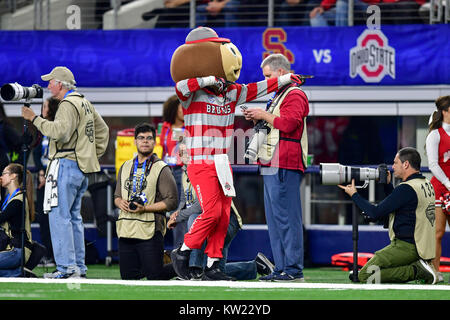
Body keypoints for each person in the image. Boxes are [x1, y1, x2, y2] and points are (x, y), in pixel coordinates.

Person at [169, 28, 304, 282]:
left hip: (221, 162)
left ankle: (213, 264)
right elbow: (181, 85)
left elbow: (259, 88)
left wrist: (286, 80)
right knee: (210, 212)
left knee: (222, 215)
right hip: (200, 160)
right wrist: (210, 79)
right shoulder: (192, 94)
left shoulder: (232, 92)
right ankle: (184, 250)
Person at [21, 66, 110, 279]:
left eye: (51, 81)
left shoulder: (68, 103)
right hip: (79, 166)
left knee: (59, 217)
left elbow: (59, 132)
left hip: (66, 164)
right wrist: (89, 154)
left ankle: (67, 269)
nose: (48, 85)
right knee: (73, 218)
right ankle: (78, 268)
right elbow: (103, 130)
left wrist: (34, 118)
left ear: (60, 84)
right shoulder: (84, 101)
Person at [243, 53, 309, 282]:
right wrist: (259, 118)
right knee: (275, 220)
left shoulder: (295, 94)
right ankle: (282, 268)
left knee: (286, 219)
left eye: (269, 76)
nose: (267, 81)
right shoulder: (281, 95)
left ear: (281, 73)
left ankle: (292, 269)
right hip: (273, 161)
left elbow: (290, 124)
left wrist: (263, 114)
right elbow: (279, 123)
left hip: (284, 162)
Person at [167, 144, 275, 280]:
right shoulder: (186, 173)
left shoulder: (206, 168)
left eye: (190, 151)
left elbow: (201, 207)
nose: (187, 154)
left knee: (194, 218)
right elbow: (185, 200)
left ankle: (193, 270)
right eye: (183, 153)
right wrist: (176, 213)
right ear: (180, 157)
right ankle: (255, 266)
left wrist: (178, 217)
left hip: (227, 219)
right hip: (208, 221)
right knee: (214, 272)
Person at [339, 147, 437, 284]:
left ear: (406, 164)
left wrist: (354, 195)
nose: (392, 166)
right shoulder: (426, 184)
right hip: (423, 246)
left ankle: (416, 271)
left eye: (396, 163)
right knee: (371, 270)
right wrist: (387, 185)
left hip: (407, 247)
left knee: (365, 276)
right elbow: (403, 207)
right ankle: (417, 266)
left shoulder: (407, 188)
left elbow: (375, 212)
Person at [114, 123, 178, 280]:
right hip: (126, 229)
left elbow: (172, 201)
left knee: (155, 276)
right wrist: (119, 202)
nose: (145, 141)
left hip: (150, 230)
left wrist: (145, 209)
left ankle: (184, 266)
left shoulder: (161, 168)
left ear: (154, 142)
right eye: (141, 138)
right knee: (128, 278)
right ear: (135, 141)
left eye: (149, 138)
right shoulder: (125, 166)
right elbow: (116, 196)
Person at [32, 97, 60, 268]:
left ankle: (58, 255)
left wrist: (48, 174)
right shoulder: (41, 129)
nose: (42, 109)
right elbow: (36, 152)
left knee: (56, 217)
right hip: (43, 179)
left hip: (55, 178)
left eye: (45, 106)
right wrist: (41, 172)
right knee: (42, 217)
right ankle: (48, 254)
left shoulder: (57, 128)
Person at [425, 95, 450, 284]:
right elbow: (433, 164)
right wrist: (448, 183)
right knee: (438, 232)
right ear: (445, 111)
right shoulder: (435, 134)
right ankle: (435, 271)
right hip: (440, 188)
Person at [160, 94, 186, 248]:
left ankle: (180, 250)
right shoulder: (164, 127)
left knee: (180, 213)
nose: (185, 111)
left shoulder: (189, 127)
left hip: (183, 171)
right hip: (166, 172)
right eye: (181, 108)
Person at [0, 163, 35, 277]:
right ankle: (18, 273)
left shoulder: (17, 201)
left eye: (4, 173)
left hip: (17, 251)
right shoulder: (12, 199)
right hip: (12, 249)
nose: (1, 177)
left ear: (13, 176)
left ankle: (18, 272)